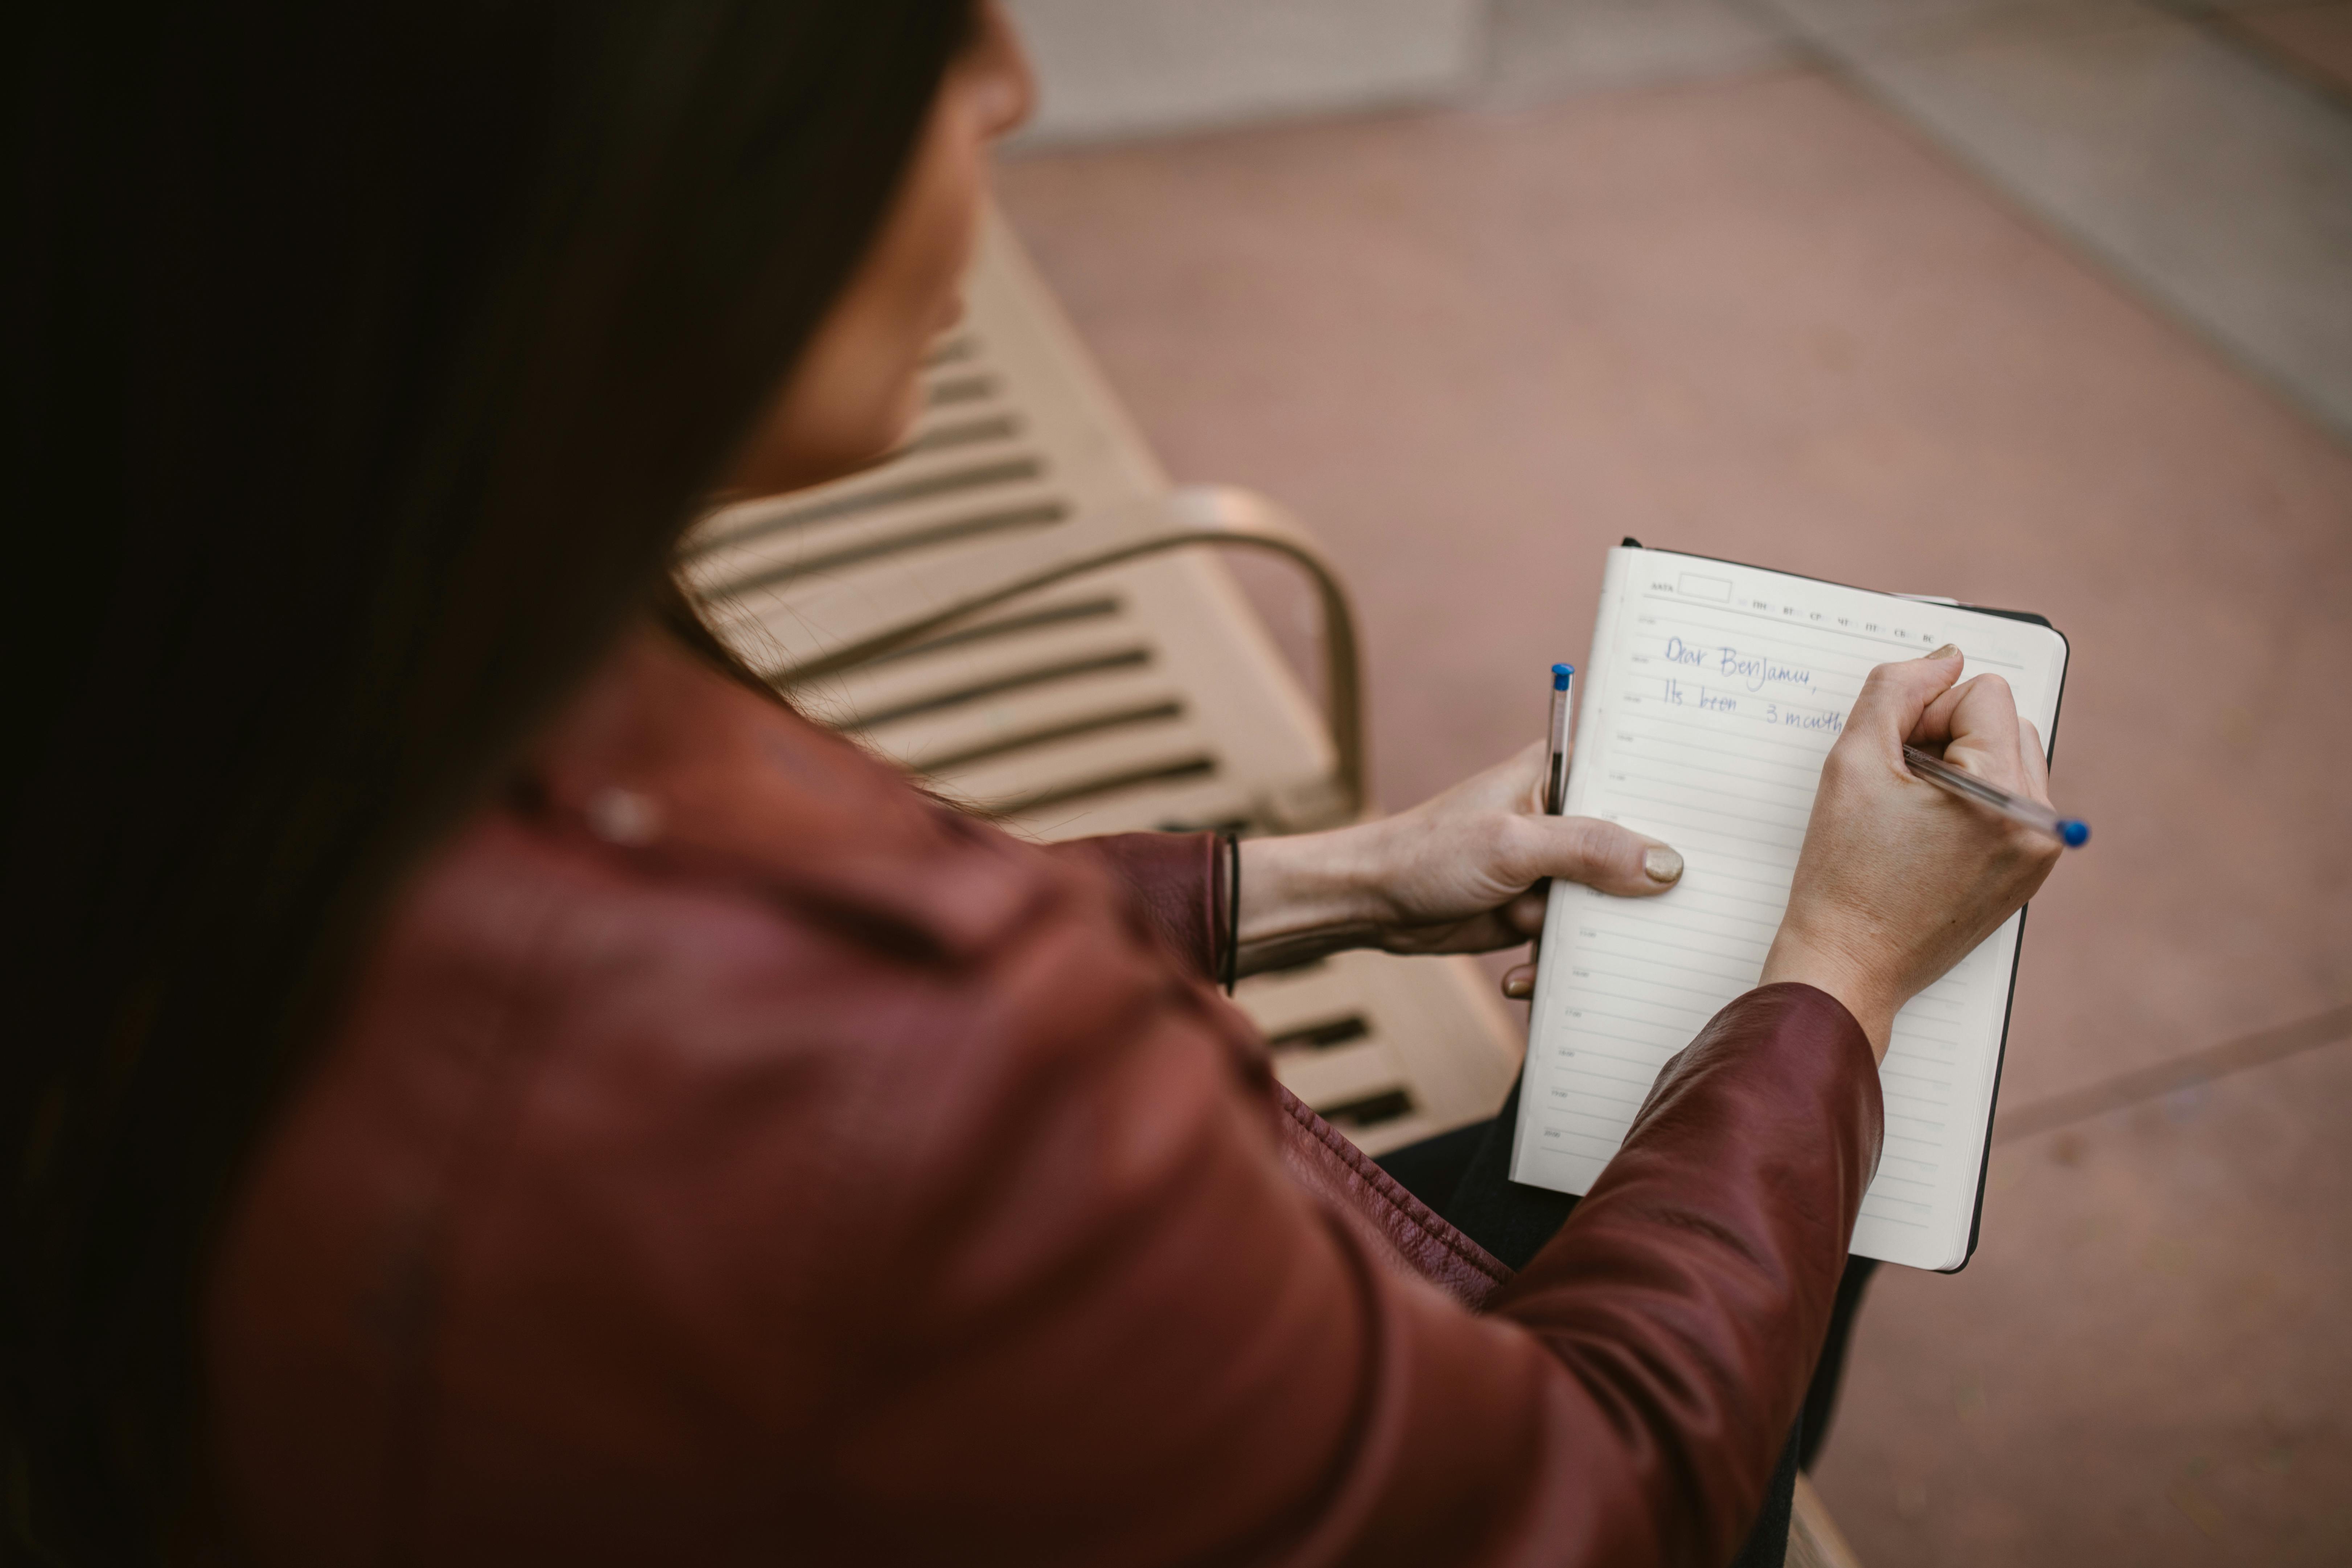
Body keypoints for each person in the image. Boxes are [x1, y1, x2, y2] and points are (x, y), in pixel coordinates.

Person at [2, 3, 2064, 1564]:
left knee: (1724, 1096)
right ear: (602, 171)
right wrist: (1839, 973)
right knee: (1817, 1108)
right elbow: (1588, 1511)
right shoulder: (895, 1048)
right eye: (908, 37)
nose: (1007, 80)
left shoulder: (238, 647)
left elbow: (779, 1018)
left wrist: (1314, 880)